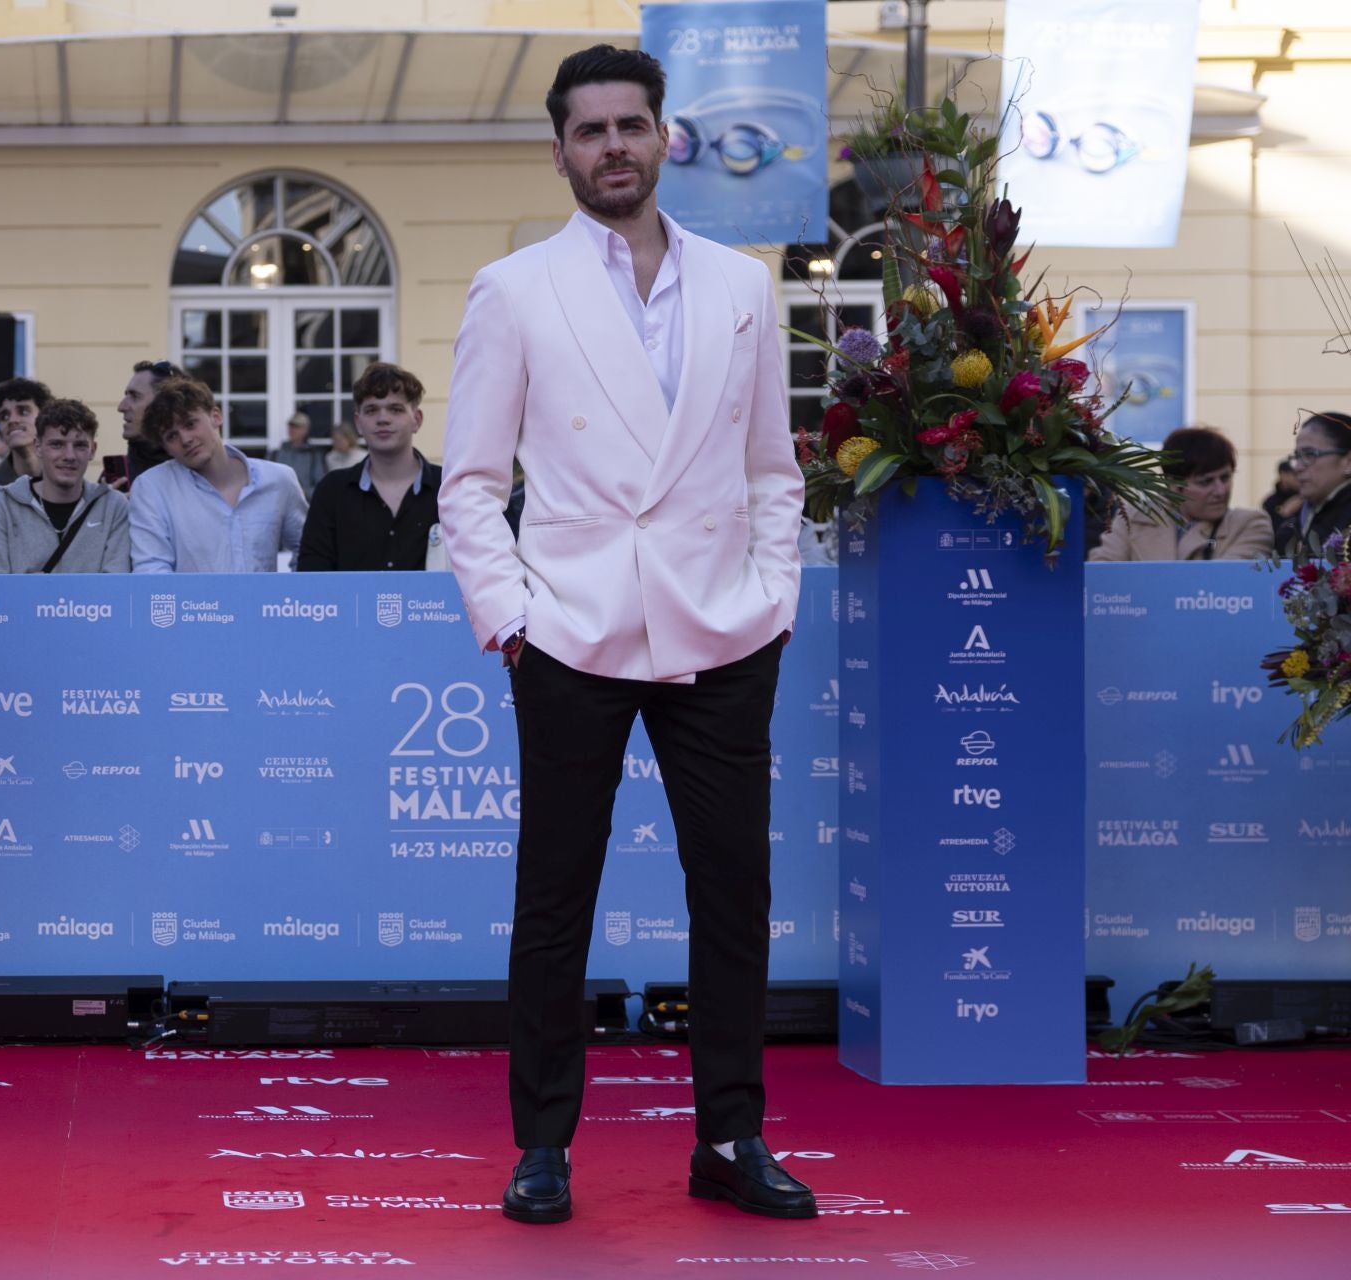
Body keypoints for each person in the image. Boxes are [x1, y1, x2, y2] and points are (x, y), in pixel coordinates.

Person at [438, 45, 811, 1226]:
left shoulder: (744, 287)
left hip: (721, 630)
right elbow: (472, 480)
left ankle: (731, 1134)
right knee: (555, 898)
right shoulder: (514, 289)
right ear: (560, 152)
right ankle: (542, 1143)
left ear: (665, 138)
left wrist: (774, 600)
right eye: (589, 130)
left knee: (734, 895)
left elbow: (773, 471)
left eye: (630, 126)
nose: (612, 146)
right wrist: (511, 618)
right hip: (572, 630)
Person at [129, 375, 305, 573]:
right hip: (191, 604)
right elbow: (151, 570)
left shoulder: (279, 480)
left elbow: (308, 551)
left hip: (263, 603)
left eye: (190, 424)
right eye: (171, 436)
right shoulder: (152, 487)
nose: (185, 439)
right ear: (165, 448)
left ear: (216, 417)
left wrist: (289, 598)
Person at [297, 362, 442, 572]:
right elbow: (312, 577)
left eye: (395, 409)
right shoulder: (332, 492)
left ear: (417, 420)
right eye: (372, 410)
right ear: (358, 423)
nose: (383, 419)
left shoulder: (447, 490)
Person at [0, 399, 130, 574]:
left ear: (93, 450)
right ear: (38, 447)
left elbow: (116, 589)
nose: (69, 455)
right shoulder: (1, 507)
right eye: (57, 445)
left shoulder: (114, 507)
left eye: (80, 445)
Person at [1089, 426, 1273, 561]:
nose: (1220, 490)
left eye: (1225, 478)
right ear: (1172, 485)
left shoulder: (1249, 524)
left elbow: (1223, 586)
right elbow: (1103, 578)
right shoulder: (1134, 516)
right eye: (1206, 481)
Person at [0, 377, 50, 521]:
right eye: (4, 415)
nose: (12, 420)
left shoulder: (68, 489)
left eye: (23, 411)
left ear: (45, 418)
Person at [1278, 411, 1351, 557]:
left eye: (1310, 454)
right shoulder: (1295, 523)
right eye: (1297, 456)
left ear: (1348, 462)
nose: (1298, 467)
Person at [115, 359, 178, 488]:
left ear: (163, 405)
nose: (121, 407)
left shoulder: (195, 474)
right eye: (126, 395)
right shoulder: (118, 477)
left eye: (135, 396)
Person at [271, 410, 326, 497]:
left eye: (297, 427)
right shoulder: (275, 454)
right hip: (278, 505)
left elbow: (321, 486)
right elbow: (266, 483)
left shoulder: (314, 456)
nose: (292, 430)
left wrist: (303, 492)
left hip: (304, 506)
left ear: (306, 430)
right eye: (291, 426)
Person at [1262, 458, 1302, 524]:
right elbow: (1269, 529)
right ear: (1283, 475)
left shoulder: (1306, 499)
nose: (1299, 477)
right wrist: (1284, 514)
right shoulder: (1270, 502)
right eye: (1295, 474)